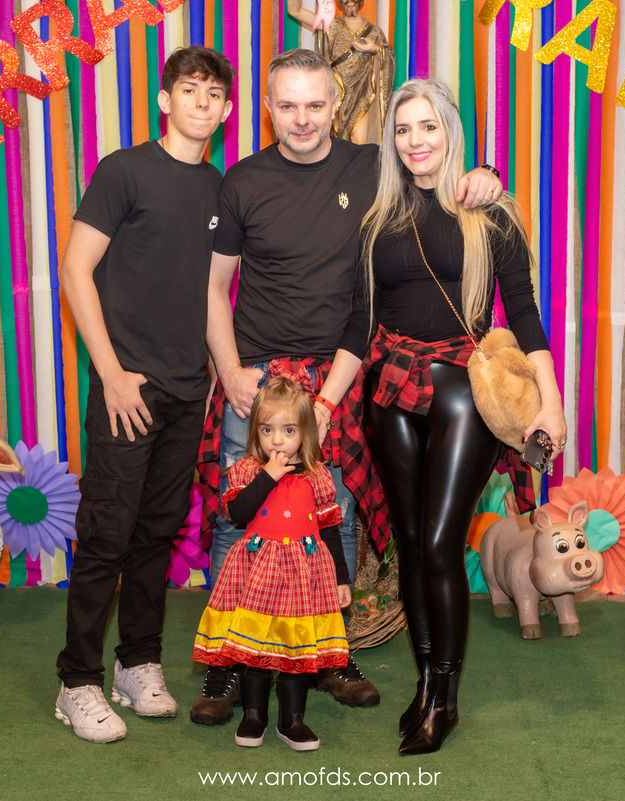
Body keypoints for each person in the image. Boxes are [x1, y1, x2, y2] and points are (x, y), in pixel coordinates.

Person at [191, 49, 504, 726]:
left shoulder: (374, 167)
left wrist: (488, 175)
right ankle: (225, 666)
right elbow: (214, 287)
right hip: (258, 379)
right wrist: (230, 370)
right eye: (288, 105)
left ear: (338, 105)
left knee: (334, 516)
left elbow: (440, 174)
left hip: (340, 372)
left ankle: (330, 655)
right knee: (237, 519)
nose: (302, 119)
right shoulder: (242, 180)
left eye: (315, 104)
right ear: (267, 109)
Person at [316, 78, 568, 755]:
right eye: (403, 129)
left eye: (428, 126)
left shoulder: (490, 213)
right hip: (391, 388)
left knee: (438, 543)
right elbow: (358, 323)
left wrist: (551, 402)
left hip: (465, 390)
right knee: (409, 541)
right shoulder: (378, 222)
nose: (415, 140)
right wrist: (325, 403)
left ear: (450, 131)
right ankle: (426, 681)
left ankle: (446, 698)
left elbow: (525, 311)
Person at [52, 46, 235, 744]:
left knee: (158, 532)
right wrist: (110, 372)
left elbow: (212, 293)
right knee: (107, 532)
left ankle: (137, 664)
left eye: (213, 94)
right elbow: (76, 269)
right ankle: (77, 681)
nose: (201, 103)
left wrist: (219, 375)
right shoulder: (123, 170)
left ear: (226, 109)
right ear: (165, 99)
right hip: (127, 387)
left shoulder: (218, 188)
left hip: (189, 391)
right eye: (190, 90)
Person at [193, 375, 352, 751]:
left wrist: (341, 579)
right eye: (267, 430)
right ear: (256, 431)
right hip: (258, 574)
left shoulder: (317, 477)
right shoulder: (249, 471)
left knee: (297, 654)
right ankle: (254, 717)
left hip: (303, 576)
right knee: (256, 654)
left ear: (305, 433)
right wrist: (268, 476)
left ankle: (292, 721)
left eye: (288, 430)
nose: (277, 440)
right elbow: (238, 512)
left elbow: (330, 530)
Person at [286, 0, 395, 145]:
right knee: (336, 142)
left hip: (363, 95)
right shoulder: (332, 26)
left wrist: (375, 49)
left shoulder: (374, 32)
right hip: (337, 95)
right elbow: (295, 11)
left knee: (358, 142)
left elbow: (389, 58)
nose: (349, 2)